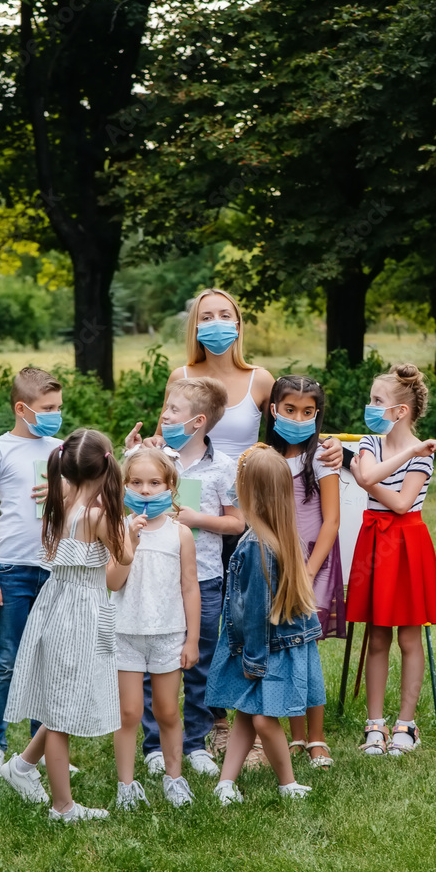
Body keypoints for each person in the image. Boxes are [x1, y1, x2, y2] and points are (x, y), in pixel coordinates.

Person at [125, 286, 342, 762]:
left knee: (240, 617)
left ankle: (233, 717)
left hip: (250, 515)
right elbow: (167, 435)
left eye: (226, 314)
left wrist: (330, 449)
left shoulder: (260, 378)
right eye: (207, 315)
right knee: (189, 612)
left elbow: (290, 426)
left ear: (239, 324)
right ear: (195, 326)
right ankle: (185, 727)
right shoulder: (180, 374)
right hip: (190, 509)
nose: (217, 322)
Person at [0, 429, 134, 822]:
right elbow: (123, 557)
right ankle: (63, 806)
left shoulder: (63, 500)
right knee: (60, 714)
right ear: (109, 464)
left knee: (64, 699)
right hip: (79, 613)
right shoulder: (99, 514)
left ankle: (22, 766)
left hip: (59, 606)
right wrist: (135, 533)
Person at [205, 444, 326, 804]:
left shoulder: (255, 546)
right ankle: (226, 782)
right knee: (246, 713)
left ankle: (287, 783)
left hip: (262, 650)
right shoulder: (279, 535)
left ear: (245, 492)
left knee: (261, 720)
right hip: (272, 647)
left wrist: (252, 662)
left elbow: (254, 613)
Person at [139, 379, 243, 780]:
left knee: (199, 661)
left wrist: (199, 519)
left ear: (199, 421)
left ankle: (196, 741)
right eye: (165, 408)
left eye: (173, 410)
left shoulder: (223, 468)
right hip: (156, 578)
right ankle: (153, 745)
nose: (164, 415)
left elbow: (238, 522)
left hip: (204, 580)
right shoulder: (150, 459)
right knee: (153, 664)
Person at [346, 363, 436, 756]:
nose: (370, 407)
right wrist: (369, 477)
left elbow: (403, 503)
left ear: (400, 410)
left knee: (408, 635)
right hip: (373, 542)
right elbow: (369, 475)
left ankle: (407, 723)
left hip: (405, 545)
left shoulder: (424, 455)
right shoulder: (370, 444)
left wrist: (366, 480)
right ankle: (375, 725)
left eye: (376, 401)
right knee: (376, 636)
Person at [0, 366, 64, 777]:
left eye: (59, 407)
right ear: (22, 408)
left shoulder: (62, 450)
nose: (56, 414)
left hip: (55, 568)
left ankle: (36, 750)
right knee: (7, 658)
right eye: (48, 408)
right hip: (11, 567)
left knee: (45, 660)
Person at [109, 447, 201, 808]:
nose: (145, 490)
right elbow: (113, 582)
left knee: (166, 711)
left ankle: (174, 778)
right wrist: (129, 541)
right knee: (129, 712)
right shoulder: (117, 528)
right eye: (136, 482)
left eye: (154, 482)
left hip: (167, 635)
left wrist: (192, 638)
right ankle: (126, 786)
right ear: (124, 486)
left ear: (170, 486)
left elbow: (190, 587)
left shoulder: (181, 534)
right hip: (126, 634)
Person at [265, 374, 345, 769]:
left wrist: (306, 574)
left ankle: (317, 740)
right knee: (283, 649)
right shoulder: (262, 458)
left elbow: (331, 522)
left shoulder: (322, 457)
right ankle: (295, 737)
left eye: (308, 412)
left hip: (312, 565)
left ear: (318, 415)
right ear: (273, 409)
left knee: (306, 650)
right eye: (291, 409)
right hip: (271, 566)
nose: (299, 418)